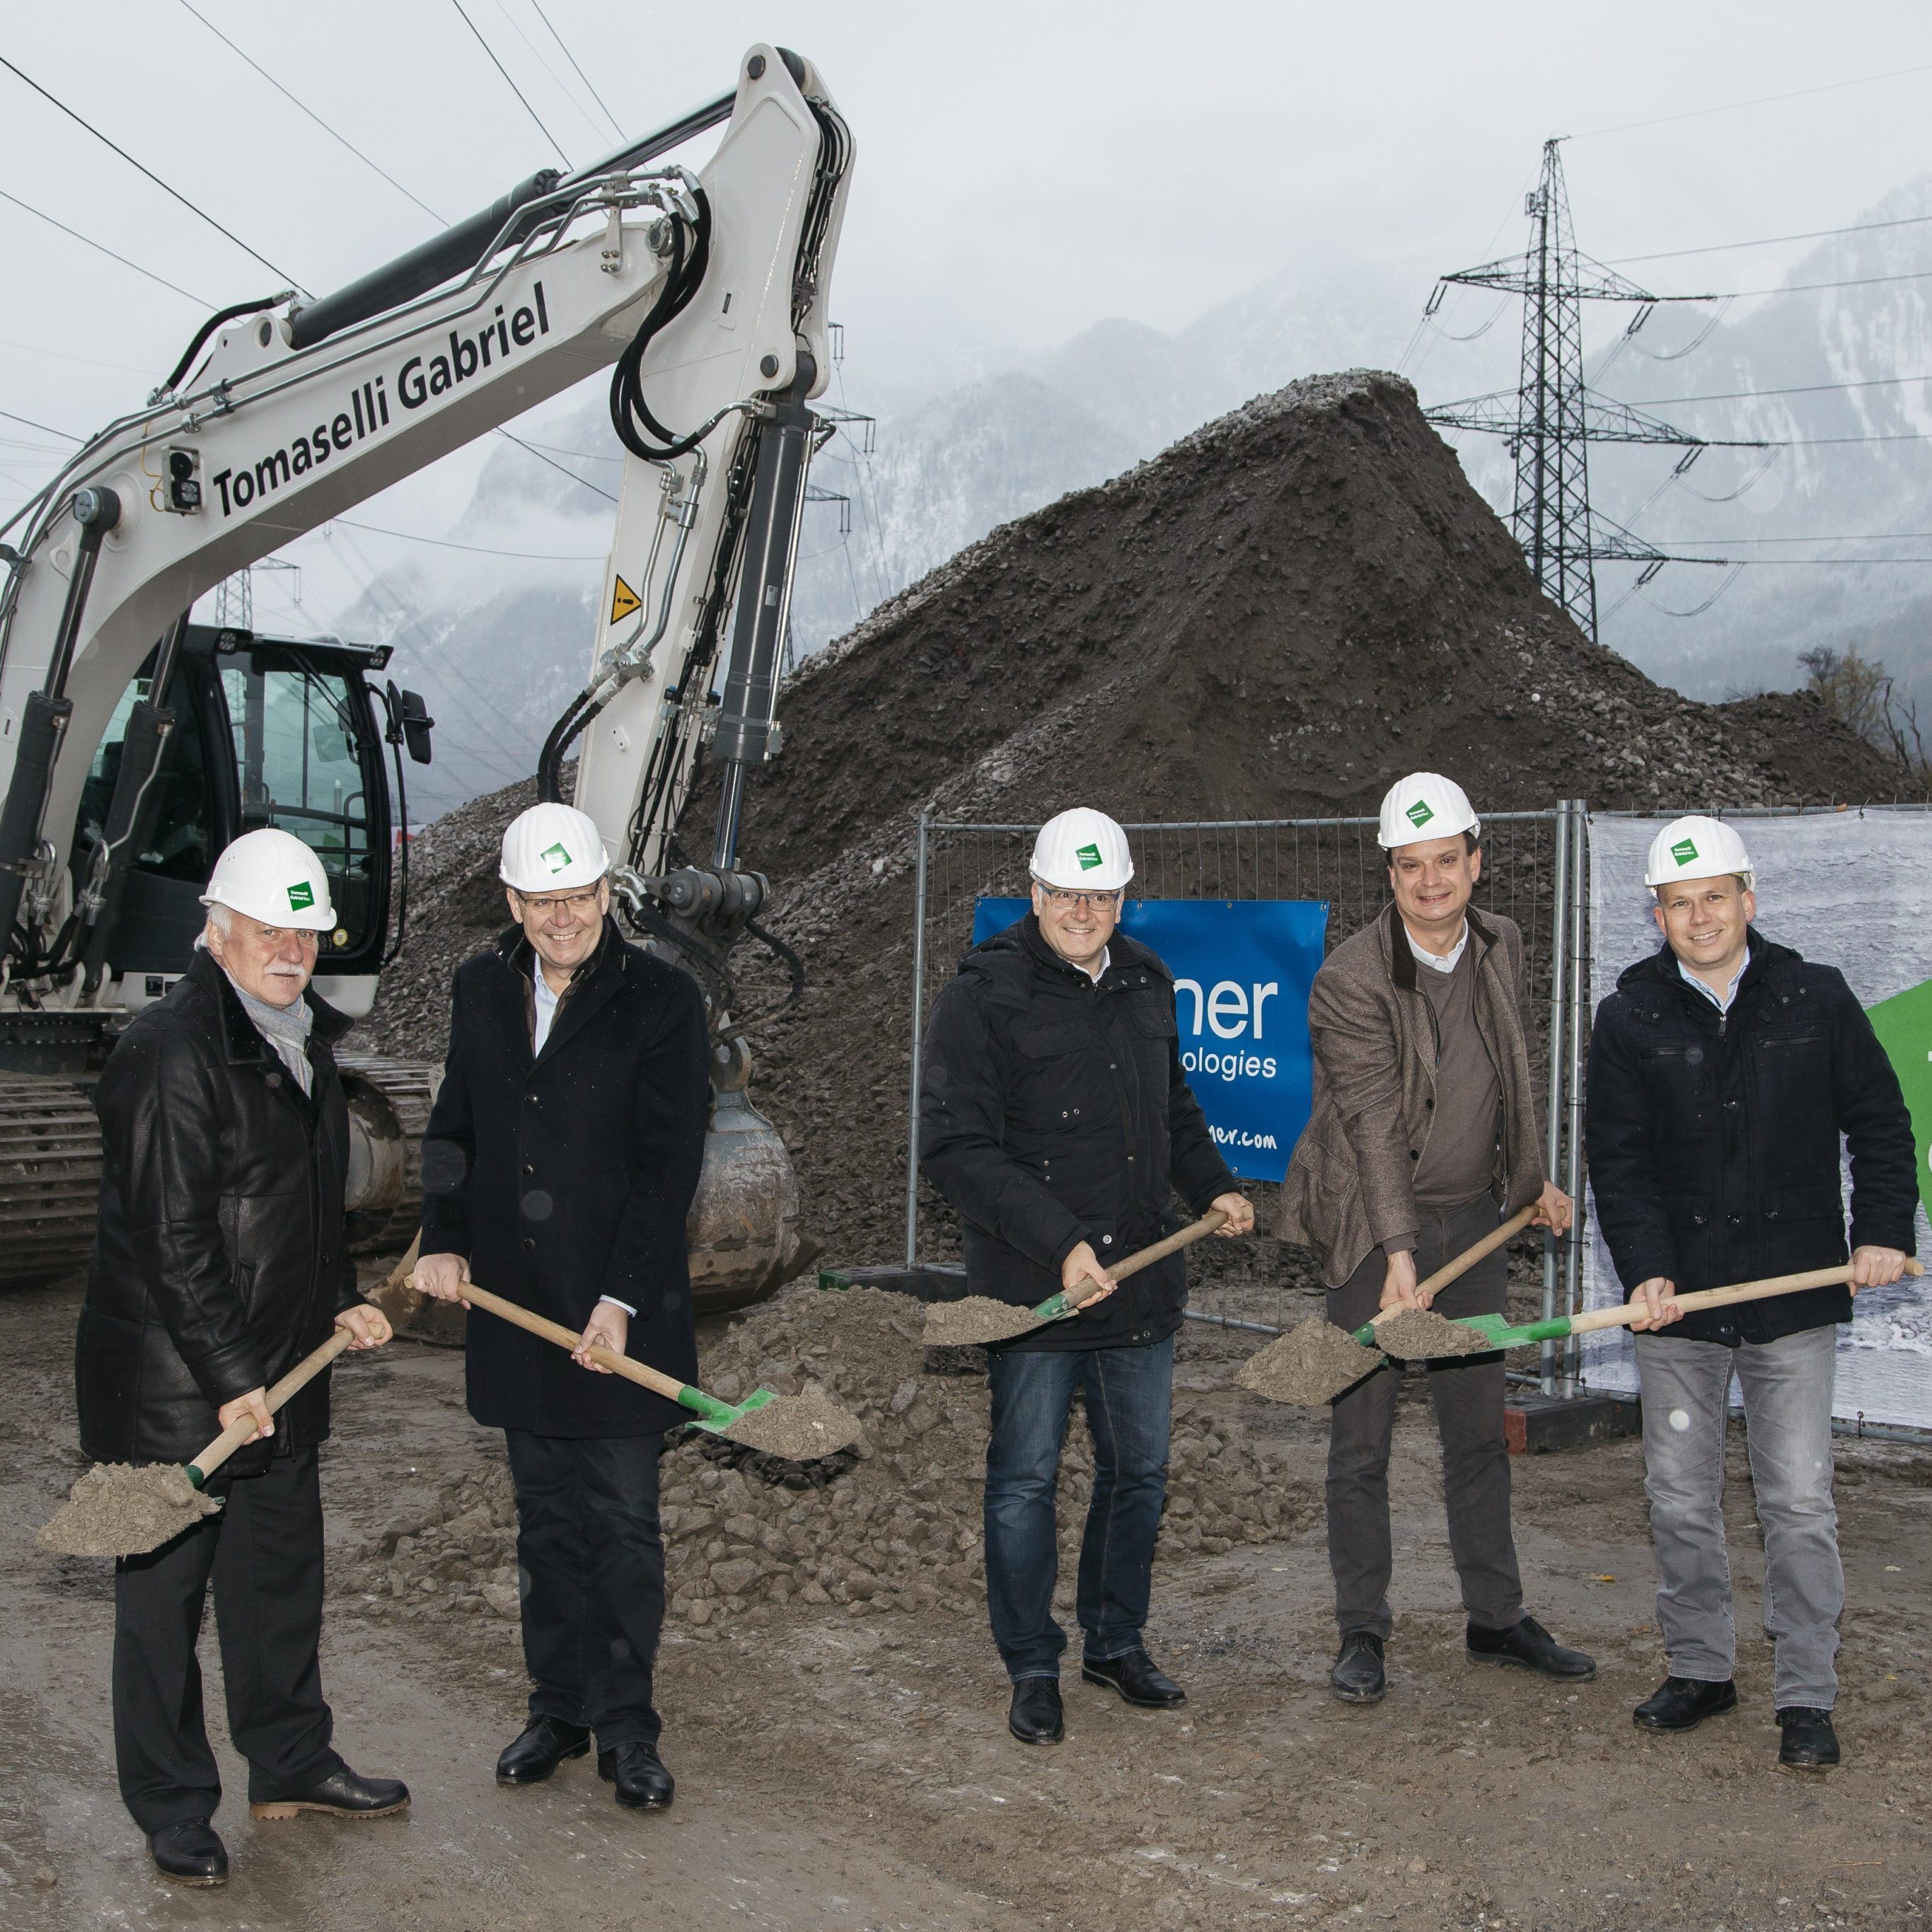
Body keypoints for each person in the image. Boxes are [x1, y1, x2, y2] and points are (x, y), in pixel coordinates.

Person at [79, 828, 401, 1887]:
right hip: (176, 1387)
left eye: (304, 932)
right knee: (162, 1603)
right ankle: (173, 1805)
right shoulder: (168, 1050)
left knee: (278, 1583)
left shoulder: (301, 1039)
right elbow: (171, 1239)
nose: (290, 949)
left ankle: (292, 1761)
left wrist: (343, 1300)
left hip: (276, 1373)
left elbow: (299, 1213)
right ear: (216, 929)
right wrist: (230, 1382)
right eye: (269, 928)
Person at [1585, 814, 1916, 1773]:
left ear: (1748, 900)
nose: (1700, 917)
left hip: (1793, 1303)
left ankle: (1807, 1691)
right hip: (1679, 1305)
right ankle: (1702, 1668)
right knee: (1680, 1499)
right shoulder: (1630, 1018)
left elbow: (1881, 1124)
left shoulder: (1815, 997)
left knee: (1800, 1501)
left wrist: (1883, 1234)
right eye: (1680, 904)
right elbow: (1620, 1159)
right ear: (1659, 916)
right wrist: (1645, 1266)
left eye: (1715, 898)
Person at [919, 806, 1254, 1747]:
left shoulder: (1147, 982)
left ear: (1121, 897)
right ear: (1035, 893)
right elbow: (955, 1148)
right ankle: (1032, 1664)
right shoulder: (981, 996)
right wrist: (1061, 1241)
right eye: (1068, 892)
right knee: (1024, 1480)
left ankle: (1114, 1642)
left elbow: (1173, 1108)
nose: (1084, 909)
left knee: (1139, 1473)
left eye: (1101, 895)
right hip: (1038, 1290)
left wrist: (1215, 1187)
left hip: (1140, 1285)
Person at [413, 801, 710, 1812]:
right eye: (541, 901)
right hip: (517, 1308)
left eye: (577, 897)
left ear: (604, 893)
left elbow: (668, 1169)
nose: (562, 918)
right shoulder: (479, 988)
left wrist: (620, 1299)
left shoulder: (662, 999)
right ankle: (558, 1709)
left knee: (623, 1523)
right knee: (545, 1524)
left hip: (619, 1311)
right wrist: (444, 1235)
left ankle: (629, 1729)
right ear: (513, 901)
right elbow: (455, 1127)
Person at [1278, 773, 1592, 1706]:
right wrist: (1398, 1261)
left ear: (1475, 862)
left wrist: (1534, 1185)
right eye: (1410, 867)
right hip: (1376, 1230)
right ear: (1390, 874)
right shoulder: (1350, 980)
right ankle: (1362, 1632)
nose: (1429, 882)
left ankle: (1496, 1619)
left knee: (1474, 1434)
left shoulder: (1503, 942)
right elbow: (1373, 1123)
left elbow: (1513, 1070)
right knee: (1362, 1438)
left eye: (1445, 862)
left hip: (1476, 1221)